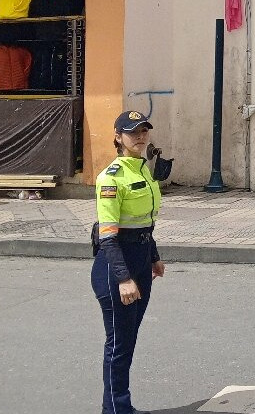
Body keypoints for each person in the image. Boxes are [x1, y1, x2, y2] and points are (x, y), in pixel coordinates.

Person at [92, 111, 165, 414]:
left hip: (140, 260)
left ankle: (119, 407)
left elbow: (143, 224)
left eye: (144, 130)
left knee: (128, 339)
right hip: (116, 266)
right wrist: (123, 278)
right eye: (132, 132)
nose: (139, 136)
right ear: (118, 137)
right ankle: (117, 410)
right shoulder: (111, 178)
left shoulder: (144, 170)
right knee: (119, 344)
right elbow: (109, 236)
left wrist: (154, 257)